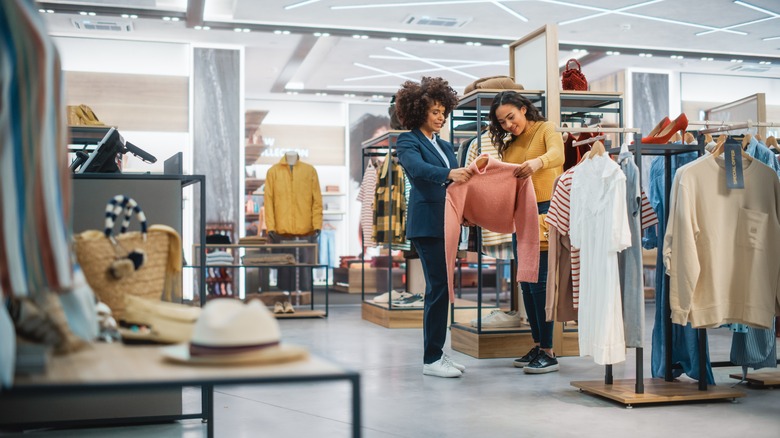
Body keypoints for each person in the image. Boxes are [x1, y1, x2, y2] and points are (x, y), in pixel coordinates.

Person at [395, 77, 473, 378]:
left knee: (444, 288)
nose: (440, 117)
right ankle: (431, 359)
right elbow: (417, 169)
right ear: (419, 112)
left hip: (449, 221)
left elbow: (456, 185)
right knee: (438, 288)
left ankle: (439, 353)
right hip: (428, 224)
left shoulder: (442, 144)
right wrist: (450, 172)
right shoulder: (408, 140)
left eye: (443, 112)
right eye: (435, 112)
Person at [488, 91, 564, 374]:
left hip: (544, 210)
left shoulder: (546, 129)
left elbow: (558, 155)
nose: (508, 125)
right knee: (526, 282)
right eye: (502, 122)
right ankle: (537, 343)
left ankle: (549, 350)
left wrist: (537, 163)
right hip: (521, 214)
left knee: (541, 282)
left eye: (511, 117)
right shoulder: (509, 145)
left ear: (523, 109)